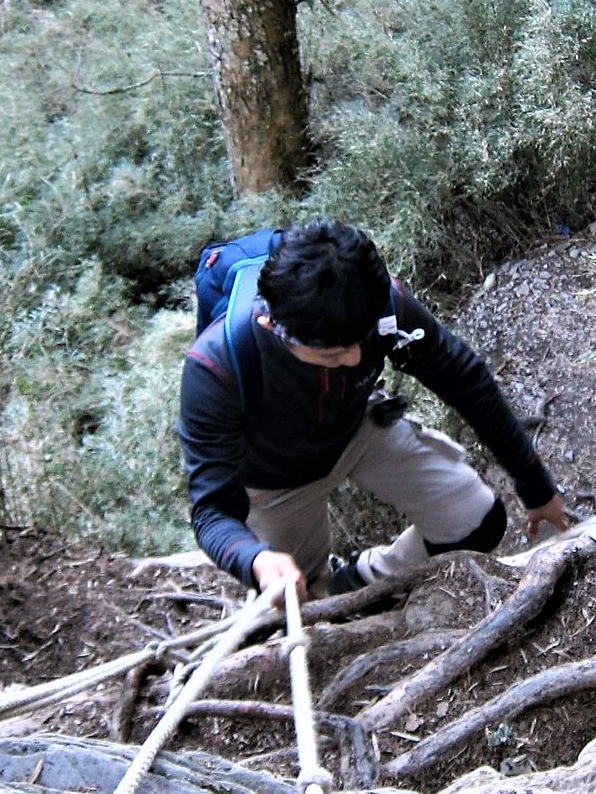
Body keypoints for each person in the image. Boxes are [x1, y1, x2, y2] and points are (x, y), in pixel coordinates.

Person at [178, 219, 569, 599]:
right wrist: (256, 560)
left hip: (358, 426)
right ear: (270, 325)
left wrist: (533, 483)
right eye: (331, 353)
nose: (353, 359)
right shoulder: (217, 367)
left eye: (360, 342)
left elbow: (465, 380)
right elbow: (212, 510)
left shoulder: (381, 307)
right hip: (273, 479)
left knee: (477, 525)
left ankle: (363, 580)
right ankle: (325, 586)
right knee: (298, 594)